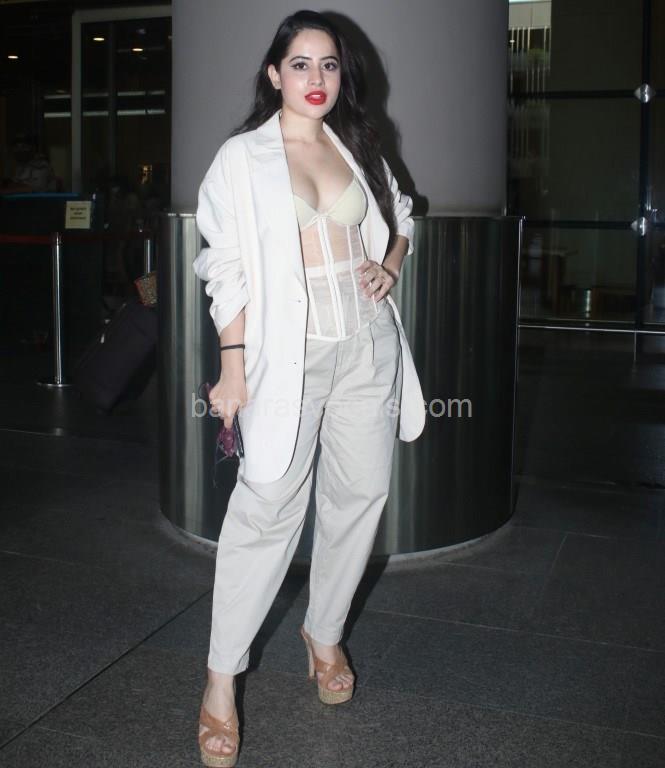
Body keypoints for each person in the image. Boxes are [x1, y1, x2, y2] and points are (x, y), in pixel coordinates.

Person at [193, 10, 425, 766]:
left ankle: (322, 634)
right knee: (265, 509)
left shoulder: (357, 143)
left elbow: (401, 215)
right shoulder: (242, 158)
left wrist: (389, 263)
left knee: (360, 496)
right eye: (300, 64)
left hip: (366, 345)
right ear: (274, 74)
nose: (316, 78)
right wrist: (232, 367)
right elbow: (223, 266)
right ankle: (221, 678)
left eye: (329, 64)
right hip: (285, 357)